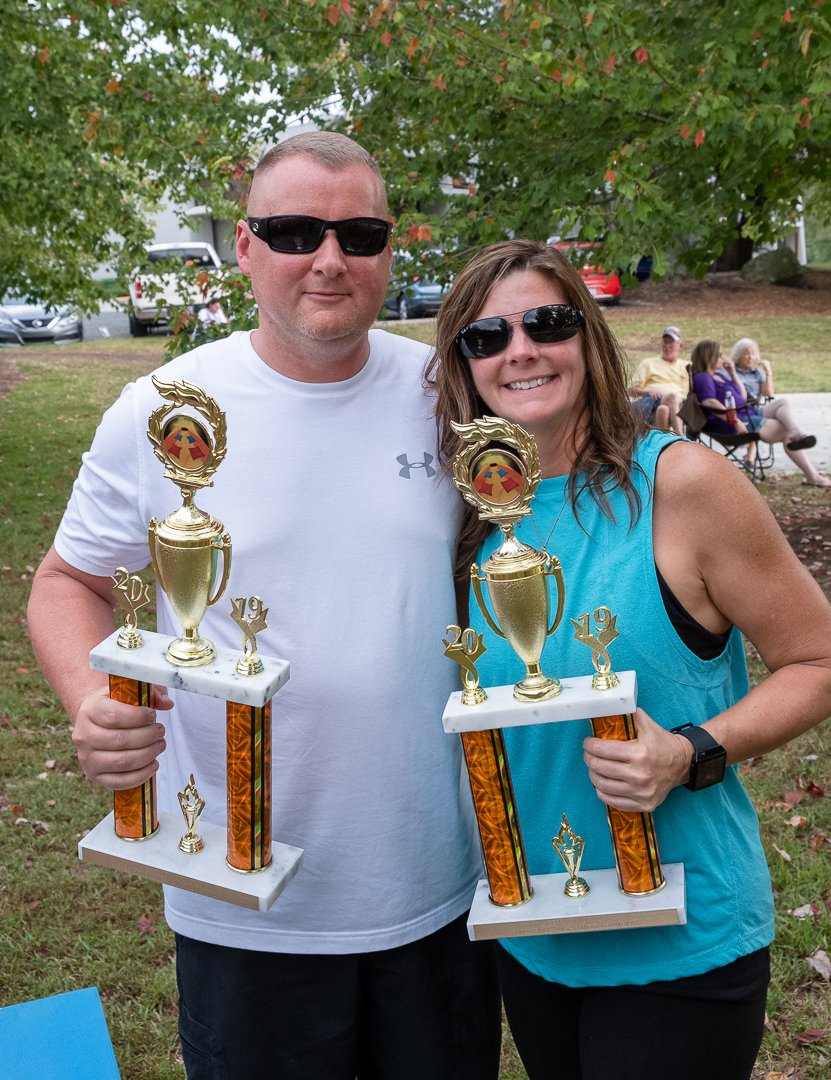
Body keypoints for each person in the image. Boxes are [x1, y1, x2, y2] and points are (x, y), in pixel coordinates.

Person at [27, 132, 500, 1079]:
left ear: (390, 251)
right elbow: (65, 582)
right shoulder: (162, 408)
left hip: (436, 883)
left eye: (359, 233)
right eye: (294, 230)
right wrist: (90, 698)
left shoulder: (448, 395)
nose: (329, 258)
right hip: (241, 896)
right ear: (245, 248)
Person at [427, 238, 831, 1080]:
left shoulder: (682, 484)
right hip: (537, 933)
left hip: (680, 942)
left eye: (545, 323)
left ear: (586, 335)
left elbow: (821, 666)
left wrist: (688, 753)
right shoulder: (472, 512)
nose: (520, 350)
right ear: (464, 364)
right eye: (487, 336)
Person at [692, 338, 831, 487]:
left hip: (748, 411)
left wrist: (733, 373)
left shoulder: (719, 375)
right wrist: (735, 421)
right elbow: (710, 403)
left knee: (783, 403)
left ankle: (798, 433)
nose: (722, 358)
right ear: (709, 356)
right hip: (735, 422)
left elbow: (742, 396)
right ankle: (812, 475)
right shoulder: (703, 378)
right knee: (785, 432)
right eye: (719, 354)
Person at [628, 325, 689, 434]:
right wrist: (648, 392)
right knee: (672, 396)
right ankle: (682, 438)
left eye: (671, 343)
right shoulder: (648, 363)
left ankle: (665, 446)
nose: (667, 346)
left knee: (664, 410)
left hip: (679, 408)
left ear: (680, 346)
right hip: (651, 406)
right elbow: (631, 390)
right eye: (665, 342)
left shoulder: (687, 366)